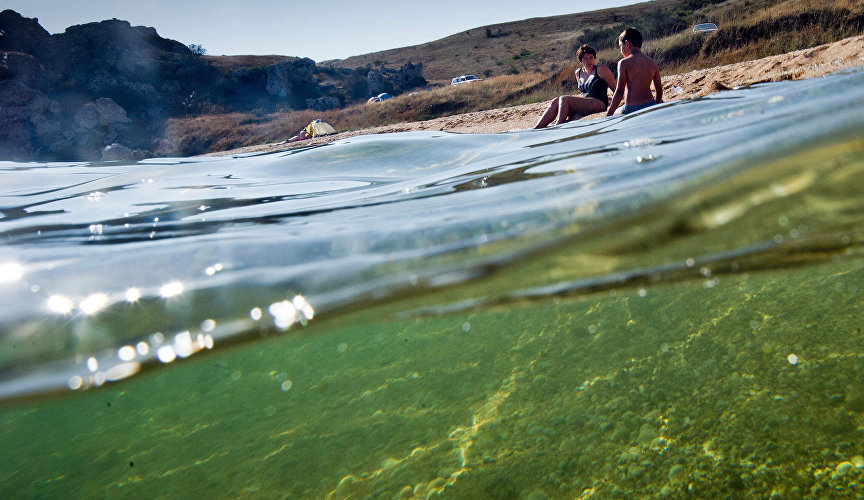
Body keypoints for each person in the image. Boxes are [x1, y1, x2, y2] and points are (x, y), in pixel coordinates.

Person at [534, 44, 616, 128]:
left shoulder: (601, 69)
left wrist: (614, 107)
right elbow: (583, 92)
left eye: (591, 57)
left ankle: (558, 126)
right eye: (585, 59)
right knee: (556, 101)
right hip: (585, 104)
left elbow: (615, 89)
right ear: (581, 61)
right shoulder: (578, 72)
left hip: (599, 103)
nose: (589, 61)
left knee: (564, 99)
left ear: (594, 58)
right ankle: (537, 128)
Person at [607, 27, 663, 116]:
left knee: (616, 113)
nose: (621, 51)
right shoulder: (652, 63)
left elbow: (619, 92)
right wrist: (655, 107)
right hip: (651, 104)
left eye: (620, 46)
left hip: (632, 108)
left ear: (627, 44)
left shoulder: (623, 63)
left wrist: (608, 115)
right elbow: (659, 91)